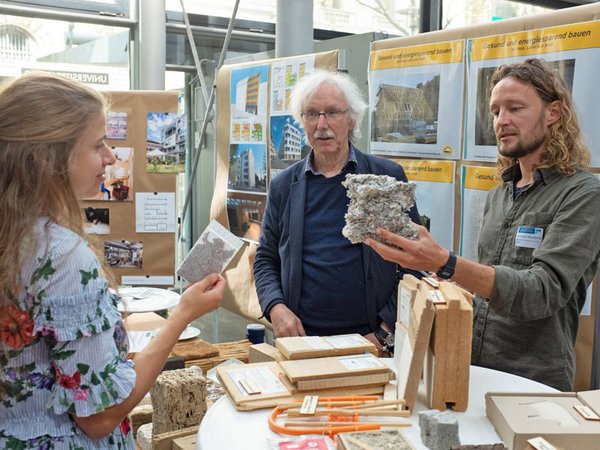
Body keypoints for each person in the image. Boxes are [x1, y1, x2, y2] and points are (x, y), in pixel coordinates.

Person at [0, 73, 225, 449]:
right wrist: (183, 314)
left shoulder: (15, 239)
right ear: (45, 158)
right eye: (98, 144)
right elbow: (100, 416)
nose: (110, 157)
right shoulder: (61, 256)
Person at [365, 58, 600, 391]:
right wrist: (438, 281)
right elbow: (490, 284)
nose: (501, 121)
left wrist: (446, 263)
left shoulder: (583, 193)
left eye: (515, 108)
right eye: (495, 111)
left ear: (553, 113)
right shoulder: (499, 194)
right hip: (473, 368)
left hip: (531, 381)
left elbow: (542, 292)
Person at [253, 69, 420, 352]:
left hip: (371, 342)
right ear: (302, 121)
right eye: (312, 114)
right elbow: (265, 259)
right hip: (301, 343)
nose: (322, 124)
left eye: (332, 112)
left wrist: (384, 331)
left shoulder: (386, 177)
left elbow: (415, 263)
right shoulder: (284, 185)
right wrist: (276, 307)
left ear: (351, 119)